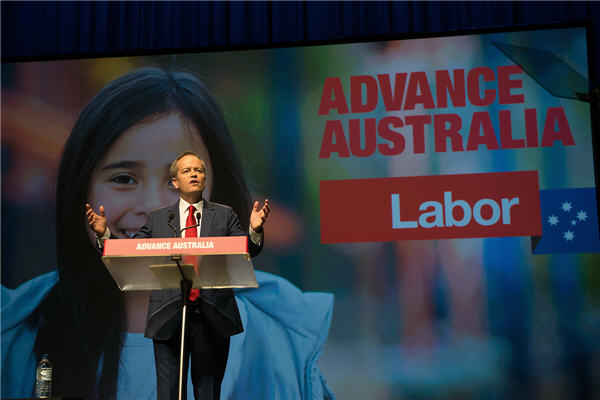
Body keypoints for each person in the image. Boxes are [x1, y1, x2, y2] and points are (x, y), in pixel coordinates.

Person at [1, 67, 334, 400]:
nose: (152, 207)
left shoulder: (280, 345)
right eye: (123, 179)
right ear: (80, 192)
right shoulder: (13, 339)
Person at [86, 151, 270, 399]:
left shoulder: (224, 214)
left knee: (208, 392)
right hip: (168, 313)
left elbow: (245, 249)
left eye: (199, 170)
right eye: (187, 171)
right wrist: (105, 235)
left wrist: (254, 230)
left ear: (205, 179)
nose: (194, 174)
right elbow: (132, 252)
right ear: (175, 182)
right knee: (169, 392)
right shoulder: (160, 218)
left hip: (213, 314)